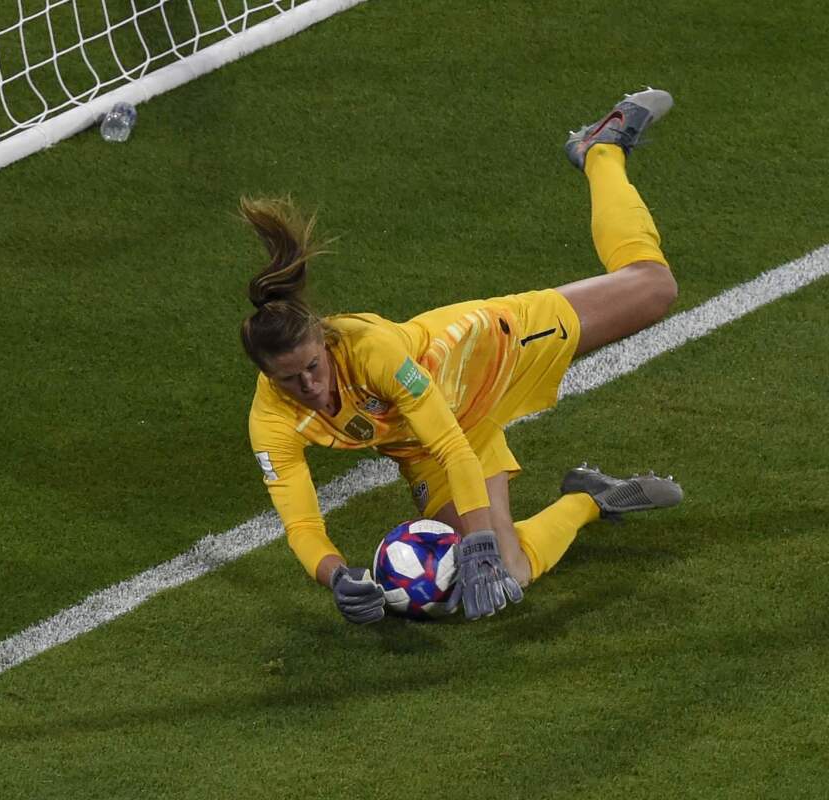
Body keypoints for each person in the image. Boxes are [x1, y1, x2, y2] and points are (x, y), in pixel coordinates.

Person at [241, 89, 685, 623]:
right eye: (290, 380)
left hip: (497, 350)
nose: (309, 386)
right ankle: (591, 499)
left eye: (313, 367)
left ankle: (601, 150)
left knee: (654, 288)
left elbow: (450, 442)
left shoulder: (371, 351)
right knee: (510, 572)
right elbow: (302, 525)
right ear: (267, 376)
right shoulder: (272, 421)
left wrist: (474, 542)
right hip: (435, 437)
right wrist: (337, 575)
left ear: (324, 342)